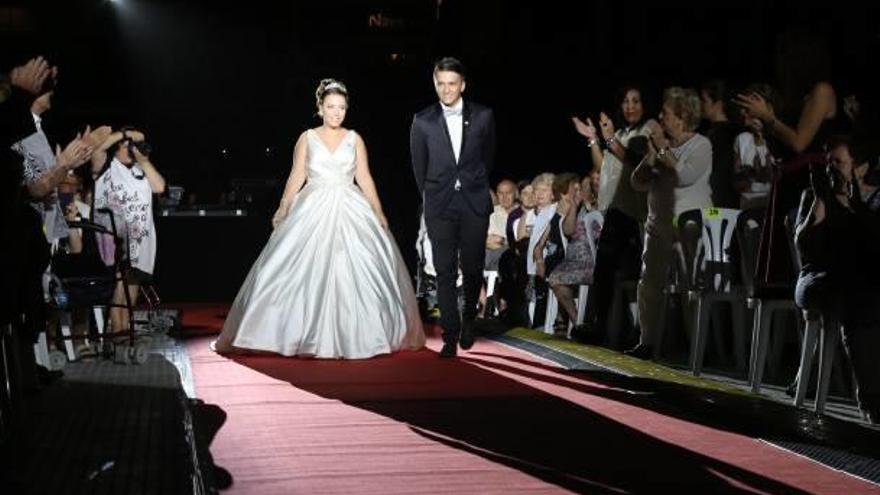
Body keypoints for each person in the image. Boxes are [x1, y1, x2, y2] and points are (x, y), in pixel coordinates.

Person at [214, 79, 424, 358]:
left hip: (350, 207)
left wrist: (378, 211)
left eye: (342, 107)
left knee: (356, 269)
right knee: (292, 267)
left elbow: (364, 177)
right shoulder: (307, 137)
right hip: (312, 206)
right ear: (320, 108)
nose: (337, 112)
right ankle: (286, 333)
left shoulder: (354, 138)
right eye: (331, 107)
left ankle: (359, 336)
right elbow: (297, 175)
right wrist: (284, 206)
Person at [410, 57, 496, 358]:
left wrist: (470, 183)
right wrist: (437, 192)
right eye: (441, 84)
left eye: (452, 84)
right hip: (440, 204)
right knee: (445, 271)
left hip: (473, 202)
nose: (446, 90)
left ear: (463, 85)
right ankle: (450, 334)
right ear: (435, 83)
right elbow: (419, 168)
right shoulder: (422, 120)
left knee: (472, 268)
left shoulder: (484, 116)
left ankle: (469, 318)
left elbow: (488, 158)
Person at [92, 128, 165, 333]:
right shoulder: (107, 165)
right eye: (126, 148)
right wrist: (125, 134)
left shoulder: (140, 169)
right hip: (114, 238)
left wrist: (144, 161)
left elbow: (159, 187)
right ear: (115, 150)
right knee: (118, 289)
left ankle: (126, 332)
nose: (131, 150)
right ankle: (118, 336)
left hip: (140, 241)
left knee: (131, 289)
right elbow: (97, 150)